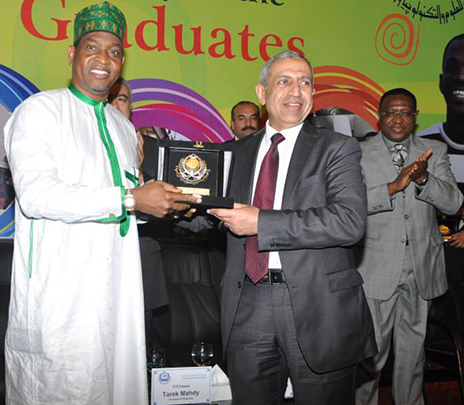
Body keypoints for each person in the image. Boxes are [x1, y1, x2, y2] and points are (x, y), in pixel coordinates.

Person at [3, 2, 199, 405]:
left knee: (116, 386)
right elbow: (37, 196)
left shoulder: (122, 127)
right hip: (61, 296)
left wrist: (163, 204)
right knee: (61, 389)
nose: (103, 59)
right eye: (92, 47)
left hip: (118, 293)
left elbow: (126, 207)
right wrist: (131, 198)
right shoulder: (39, 111)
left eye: (114, 51)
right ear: (72, 54)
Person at [182, 50, 376, 405]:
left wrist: (260, 222)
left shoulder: (338, 148)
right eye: (284, 81)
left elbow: (348, 222)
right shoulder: (233, 153)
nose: (296, 91)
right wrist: (173, 200)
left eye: (305, 82)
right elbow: (206, 217)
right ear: (262, 93)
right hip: (247, 303)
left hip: (319, 306)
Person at [354, 88, 463, 405]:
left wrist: (425, 180)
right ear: (380, 116)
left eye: (404, 112)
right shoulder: (359, 152)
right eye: (390, 112)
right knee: (370, 358)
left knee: (413, 357)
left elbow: (454, 203)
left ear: (415, 117)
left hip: (421, 268)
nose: (397, 119)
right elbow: (350, 205)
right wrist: (392, 187)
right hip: (375, 269)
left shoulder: (434, 151)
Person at [418, 34, 464, 251]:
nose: (461, 76)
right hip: (433, 254)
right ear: (441, 81)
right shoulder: (421, 145)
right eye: (453, 68)